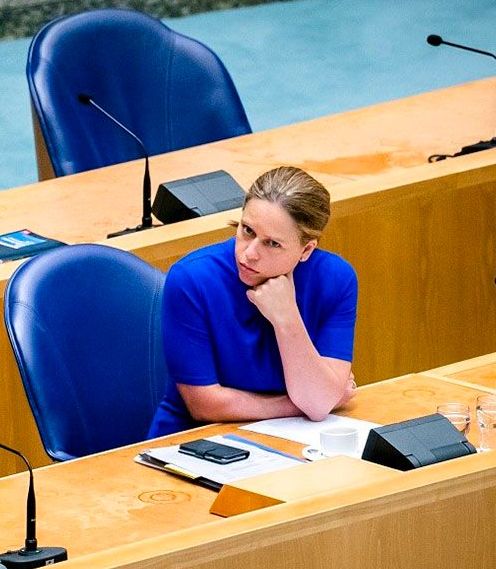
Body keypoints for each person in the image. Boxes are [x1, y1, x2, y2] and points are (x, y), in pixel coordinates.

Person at [147, 166, 358, 438]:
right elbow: (205, 405)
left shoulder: (335, 279)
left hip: (292, 441)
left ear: (306, 250)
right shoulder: (192, 279)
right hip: (194, 441)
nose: (249, 253)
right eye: (247, 230)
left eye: (272, 244)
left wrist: (286, 318)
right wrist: (296, 406)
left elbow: (317, 405)